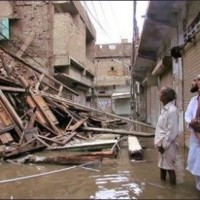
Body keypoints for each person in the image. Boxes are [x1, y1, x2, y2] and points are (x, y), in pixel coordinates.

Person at [154, 86, 179, 185]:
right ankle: (164, 190)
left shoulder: (172, 110)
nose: (160, 94)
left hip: (168, 146)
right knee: (162, 167)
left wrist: (163, 146)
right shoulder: (165, 109)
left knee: (169, 169)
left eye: (162, 93)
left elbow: (171, 132)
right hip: (162, 145)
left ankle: (173, 191)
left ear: (166, 96)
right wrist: (160, 145)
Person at [185, 74, 200, 191]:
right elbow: (187, 115)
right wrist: (192, 122)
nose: (192, 82)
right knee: (193, 161)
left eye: (195, 80)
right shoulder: (193, 100)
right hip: (195, 137)